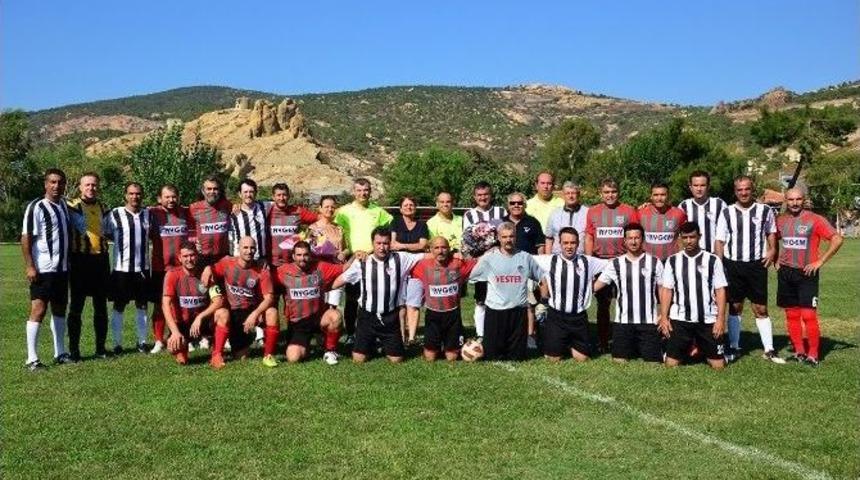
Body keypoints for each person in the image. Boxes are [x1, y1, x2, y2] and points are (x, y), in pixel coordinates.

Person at [331, 227, 426, 363]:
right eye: (378, 243)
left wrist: (453, 255)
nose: (382, 247)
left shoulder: (401, 258)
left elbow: (426, 255)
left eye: (386, 243)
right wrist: (323, 289)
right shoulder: (362, 262)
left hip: (390, 317)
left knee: (397, 360)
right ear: (372, 244)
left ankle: (383, 344)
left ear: (390, 244)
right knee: (359, 359)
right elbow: (340, 280)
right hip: (367, 317)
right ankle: (370, 345)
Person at [714, 175, 782, 363]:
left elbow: (771, 232)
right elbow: (719, 240)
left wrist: (772, 250)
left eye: (747, 189)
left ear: (753, 190)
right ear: (735, 191)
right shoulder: (727, 212)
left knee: (760, 308)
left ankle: (769, 349)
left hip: (756, 265)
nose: (743, 193)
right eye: (739, 189)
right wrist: (719, 265)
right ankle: (734, 347)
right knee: (735, 306)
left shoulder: (764, 210)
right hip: (733, 264)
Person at [776, 188, 843, 366]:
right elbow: (771, 237)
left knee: (808, 315)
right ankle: (799, 351)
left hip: (807, 272)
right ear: (786, 201)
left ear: (803, 200)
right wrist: (775, 258)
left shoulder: (815, 219)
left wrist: (820, 261)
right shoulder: (781, 221)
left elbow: (837, 239)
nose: (795, 203)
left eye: (798, 199)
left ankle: (813, 354)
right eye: (791, 200)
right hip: (785, 272)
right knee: (791, 314)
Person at [468, 222, 544, 361]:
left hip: (518, 312)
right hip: (496, 311)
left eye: (511, 236)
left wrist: (543, 299)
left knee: (517, 357)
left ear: (516, 237)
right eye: (504, 237)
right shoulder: (488, 258)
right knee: (492, 356)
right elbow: (472, 276)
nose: (508, 240)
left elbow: (542, 276)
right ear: (498, 238)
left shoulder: (525, 257)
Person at [21, 168, 74, 369]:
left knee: (60, 310)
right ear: (45, 184)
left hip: (61, 269)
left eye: (60, 182)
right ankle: (32, 358)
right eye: (52, 182)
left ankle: (60, 352)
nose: (56, 186)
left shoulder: (63, 206)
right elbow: (26, 237)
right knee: (39, 309)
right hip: (43, 269)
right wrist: (30, 266)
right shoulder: (36, 207)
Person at [658, 222, 728, 370]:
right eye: (685, 237)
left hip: (707, 318)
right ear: (680, 238)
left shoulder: (712, 260)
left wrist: (720, 319)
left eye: (692, 237)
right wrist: (664, 317)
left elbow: (720, 290)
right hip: (681, 318)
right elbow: (667, 290)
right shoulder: (673, 260)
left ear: (699, 237)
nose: (689, 241)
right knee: (671, 365)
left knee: (718, 366)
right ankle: (680, 348)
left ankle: (701, 349)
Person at [534, 227, 608, 362]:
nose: (569, 246)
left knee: (582, 358)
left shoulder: (588, 261)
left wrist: (594, 287)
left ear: (578, 244)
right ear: (559, 244)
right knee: (553, 359)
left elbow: (612, 265)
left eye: (572, 243)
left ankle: (568, 343)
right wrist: (494, 250)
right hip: (557, 317)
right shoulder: (549, 260)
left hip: (578, 318)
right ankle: (557, 342)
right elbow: (523, 258)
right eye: (565, 243)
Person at [334, 178, 393, 345]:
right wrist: (345, 253)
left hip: (375, 260)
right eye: (359, 190)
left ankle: (375, 332)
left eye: (366, 190)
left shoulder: (379, 211)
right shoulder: (343, 212)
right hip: (354, 260)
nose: (363, 193)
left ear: (370, 191)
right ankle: (351, 332)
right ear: (354, 192)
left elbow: (386, 234)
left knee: (374, 297)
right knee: (352, 299)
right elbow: (338, 236)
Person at [593, 224, 664, 363]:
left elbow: (663, 289)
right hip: (623, 322)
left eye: (637, 238)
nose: (633, 241)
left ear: (642, 239)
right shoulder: (615, 264)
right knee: (619, 361)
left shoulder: (655, 262)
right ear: (624, 241)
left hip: (648, 322)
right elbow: (596, 286)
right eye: (630, 238)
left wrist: (663, 314)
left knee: (653, 362)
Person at [584, 178, 639, 352]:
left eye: (613, 192)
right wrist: (590, 262)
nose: (610, 195)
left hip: (623, 261)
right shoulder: (593, 211)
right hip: (601, 262)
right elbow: (589, 237)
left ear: (618, 192)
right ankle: (602, 340)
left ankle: (627, 339)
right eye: (606, 192)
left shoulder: (629, 211)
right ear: (601, 193)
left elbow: (636, 235)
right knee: (602, 304)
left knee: (627, 301)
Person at [205, 236, 276, 369]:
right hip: (233, 314)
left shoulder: (262, 270)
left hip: (251, 312)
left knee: (272, 312)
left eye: (252, 248)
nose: (249, 251)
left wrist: (254, 314)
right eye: (245, 247)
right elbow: (212, 269)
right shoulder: (227, 263)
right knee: (240, 356)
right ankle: (216, 355)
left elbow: (269, 298)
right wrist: (207, 269)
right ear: (238, 248)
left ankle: (268, 355)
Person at [271, 241, 344, 366]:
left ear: (310, 255)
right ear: (293, 256)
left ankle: (330, 351)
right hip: (298, 323)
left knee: (335, 316)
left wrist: (356, 256)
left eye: (305, 255)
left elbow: (343, 268)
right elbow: (265, 278)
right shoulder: (283, 271)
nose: (302, 258)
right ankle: (306, 345)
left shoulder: (320, 267)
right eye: (299, 255)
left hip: (318, 318)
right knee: (293, 358)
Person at [410, 237, 477, 361]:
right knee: (430, 358)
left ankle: (449, 345)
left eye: (444, 247)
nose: (440, 251)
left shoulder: (458, 263)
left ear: (449, 249)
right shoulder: (422, 265)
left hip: (453, 315)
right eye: (436, 248)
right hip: (432, 315)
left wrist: (464, 254)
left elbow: (478, 261)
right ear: (430, 250)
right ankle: (435, 346)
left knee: (451, 358)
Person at [66, 172, 110, 361]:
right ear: (80, 187)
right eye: (87, 185)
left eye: (94, 185)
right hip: (80, 261)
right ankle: (74, 351)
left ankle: (100, 348)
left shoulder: (104, 207)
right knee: (77, 307)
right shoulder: (71, 207)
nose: (91, 188)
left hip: (101, 261)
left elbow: (110, 231)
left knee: (101, 307)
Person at [104, 182, 151, 354]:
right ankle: (117, 344)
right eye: (131, 193)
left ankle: (142, 342)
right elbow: (105, 233)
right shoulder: (114, 214)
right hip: (121, 268)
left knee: (142, 305)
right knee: (119, 305)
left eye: (138, 193)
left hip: (142, 269)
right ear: (125, 195)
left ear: (142, 195)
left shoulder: (148, 214)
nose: (135, 197)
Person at [161, 241, 224, 365]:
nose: (189, 259)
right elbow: (165, 305)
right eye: (185, 256)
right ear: (179, 258)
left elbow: (218, 301)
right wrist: (174, 331)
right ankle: (182, 344)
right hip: (182, 324)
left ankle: (217, 354)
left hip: (203, 323)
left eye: (192, 255)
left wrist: (200, 317)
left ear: (197, 256)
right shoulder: (172, 275)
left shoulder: (205, 274)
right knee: (179, 356)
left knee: (223, 313)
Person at [147, 184, 193, 354]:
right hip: (160, 268)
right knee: (160, 305)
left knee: (181, 305)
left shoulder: (185, 213)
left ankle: (184, 336)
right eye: (167, 197)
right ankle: (158, 340)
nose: (171, 200)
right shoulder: (153, 214)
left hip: (181, 269)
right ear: (160, 199)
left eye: (174, 196)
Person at [463, 181, 507, 339]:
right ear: (475, 197)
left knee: (501, 296)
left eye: (486, 194)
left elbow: (506, 232)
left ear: (491, 195)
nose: (483, 198)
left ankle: (500, 331)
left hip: (501, 261)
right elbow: (467, 239)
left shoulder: (500, 211)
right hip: (482, 261)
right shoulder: (469, 215)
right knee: (481, 298)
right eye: (479, 195)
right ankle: (480, 333)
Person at [503, 192, 544, 349]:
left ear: (524, 204)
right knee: (506, 303)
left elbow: (540, 247)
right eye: (513, 203)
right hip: (505, 270)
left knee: (528, 303)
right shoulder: (502, 223)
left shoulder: (532, 222)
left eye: (519, 203)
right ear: (508, 205)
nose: (516, 205)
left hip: (527, 269)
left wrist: (539, 271)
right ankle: (508, 334)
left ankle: (529, 336)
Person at [391, 196, 429, 345]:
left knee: (413, 302)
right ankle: (401, 336)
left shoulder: (422, 225)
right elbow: (393, 244)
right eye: (405, 205)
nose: (409, 207)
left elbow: (422, 245)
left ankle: (412, 337)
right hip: (399, 266)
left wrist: (403, 246)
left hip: (417, 267)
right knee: (400, 303)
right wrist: (409, 247)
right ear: (401, 209)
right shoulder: (395, 223)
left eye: (411, 205)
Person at [265, 182, 317, 268]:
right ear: (273, 197)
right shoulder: (265, 212)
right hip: (270, 264)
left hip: (293, 263)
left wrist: (312, 233)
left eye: (284, 195)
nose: (282, 198)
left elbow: (319, 219)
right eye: (278, 195)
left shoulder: (297, 211)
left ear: (288, 196)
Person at [189, 175, 232, 267]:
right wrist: (193, 243)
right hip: (202, 257)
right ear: (203, 191)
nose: (212, 192)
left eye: (215, 189)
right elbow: (184, 229)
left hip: (223, 256)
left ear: (219, 191)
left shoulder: (228, 206)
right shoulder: (193, 208)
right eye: (209, 189)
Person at [679, 170, 727, 253]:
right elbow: (679, 235)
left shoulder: (719, 204)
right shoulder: (683, 206)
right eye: (695, 185)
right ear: (690, 187)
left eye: (702, 185)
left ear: (708, 186)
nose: (699, 189)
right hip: (691, 255)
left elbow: (724, 234)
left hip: (713, 255)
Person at [638, 182, 687, 261]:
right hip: (648, 261)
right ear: (651, 196)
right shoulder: (641, 213)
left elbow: (682, 237)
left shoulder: (679, 213)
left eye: (663, 195)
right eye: (656, 195)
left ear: (668, 196)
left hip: (671, 261)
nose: (659, 198)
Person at [228, 178, 268, 261]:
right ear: (240, 194)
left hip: (260, 260)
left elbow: (280, 202)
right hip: (241, 260)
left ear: (256, 193)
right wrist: (233, 258)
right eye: (245, 192)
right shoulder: (234, 214)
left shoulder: (264, 207)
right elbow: (231, 239)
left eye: (251, 192)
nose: (248, 195)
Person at [545, 181, 588, 255]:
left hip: (580, 257)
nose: (570, 196)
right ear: (563, 195)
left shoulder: (587, 212)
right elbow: (549, 238)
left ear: (578, 194)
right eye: (567, 193)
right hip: (557, 257)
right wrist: (548, 258)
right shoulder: (554, 213)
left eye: (573, 193)